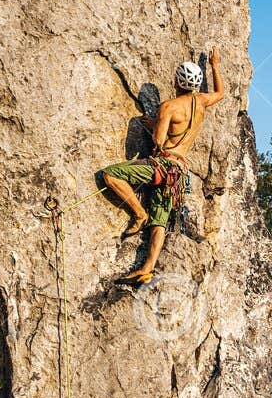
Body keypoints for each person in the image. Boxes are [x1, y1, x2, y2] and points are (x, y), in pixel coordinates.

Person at [96, 48, 224, 284]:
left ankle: (138, 213)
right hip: (179, 172)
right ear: (195, 85)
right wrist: (214, 65)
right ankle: (147, 267)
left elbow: (158, 140)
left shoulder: (169, 107)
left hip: (163, 164)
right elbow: (219, 93)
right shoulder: (203, 102)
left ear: (176, 81)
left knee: (110, 175)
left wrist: (155, 122)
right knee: (160, 220)